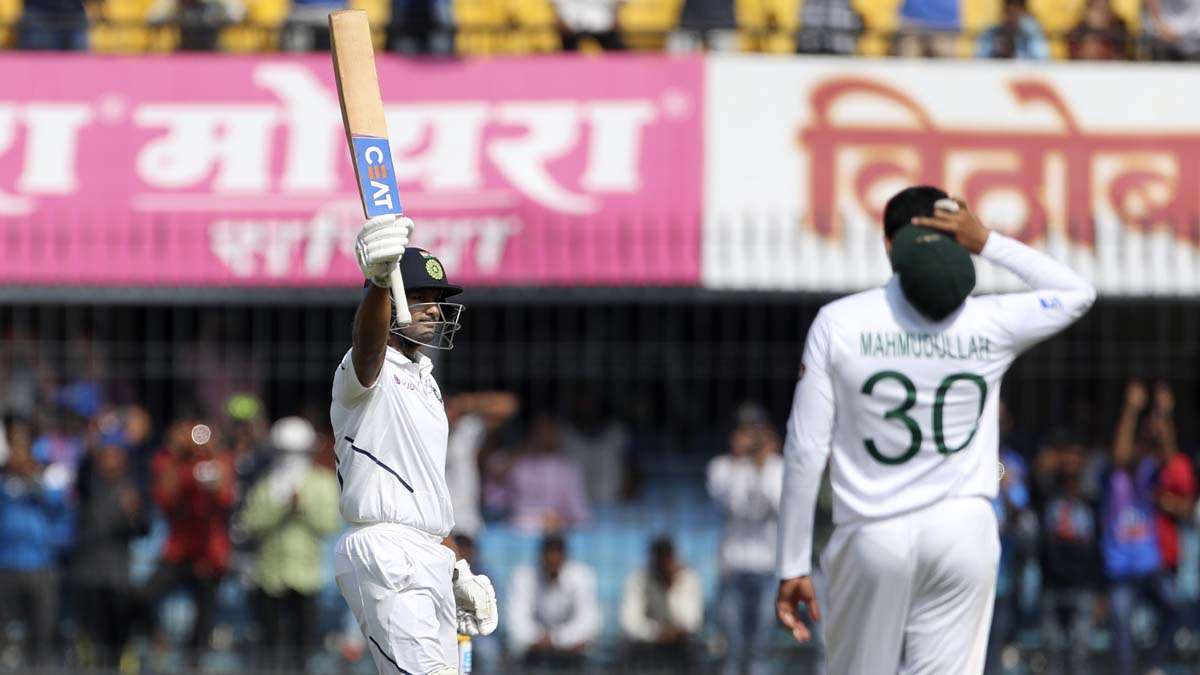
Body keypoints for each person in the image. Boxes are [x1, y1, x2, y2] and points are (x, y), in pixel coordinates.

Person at [776, 186, 1096, 675]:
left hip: (870, 534)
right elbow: (1077, 293)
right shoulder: (990, 321)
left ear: (889, 246)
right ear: (954, 235)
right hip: (962, 531)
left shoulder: (839, 323)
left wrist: (793, 564)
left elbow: (804, 450)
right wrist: (987, 241)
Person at [330, 213, 497, 675]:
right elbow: (367, 344)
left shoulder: (427, 384)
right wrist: (379, 284)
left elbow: (427, 490)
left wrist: (457, 567)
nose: (434, 310)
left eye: (438, 301)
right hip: (385, 547)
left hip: (430, 553)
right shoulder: (368, 372)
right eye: (420, 298)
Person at [238, 416, 342, 671]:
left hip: (306, 575)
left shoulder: (322, 482)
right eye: (285, 452)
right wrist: (280, 507)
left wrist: (302, 506)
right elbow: (250, 522)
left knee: (303, 644)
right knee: (268, 642)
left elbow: (329, 524)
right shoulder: (266, 484)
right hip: (269, 575)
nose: (290, 458)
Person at [1101, 380, 1183, 675]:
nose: (1139, 452)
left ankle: (1152, 664)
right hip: (1121, 569)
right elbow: (1121, 452)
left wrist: (1164, 415)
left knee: (1174, 610)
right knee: (1121, 628)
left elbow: (1171, 459)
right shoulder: (1115, 476)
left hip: (1150, 566)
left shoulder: (1150, 474)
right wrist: (1131, 410)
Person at [143, 418, 237, 667]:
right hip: (179, 549)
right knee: (143, 595)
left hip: (210, 552)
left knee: (203, 619)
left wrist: (212, 449)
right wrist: (177, 453)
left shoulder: (218, 458)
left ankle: (194, 665)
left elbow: (224, 495)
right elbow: (165, 498)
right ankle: (157, 638)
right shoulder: (168, 461)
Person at [707, 403, 784, 675]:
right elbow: (727, 501)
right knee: (733, 647)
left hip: (766, 567)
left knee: (761, 649)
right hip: (733, 567)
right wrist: (743, 463)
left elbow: (776, 504)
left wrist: (761, 466)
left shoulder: (777, 468)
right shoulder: (722, 467)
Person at [70, 429, 149, 668]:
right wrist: (94, 437)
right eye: (106, 455)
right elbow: (82, 471)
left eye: (116, 456)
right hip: (88, 576)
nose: (110, 461)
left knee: (117, 645)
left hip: (117, 578)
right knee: (92, 644)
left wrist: (134, 514)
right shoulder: (89, 486)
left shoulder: (131, 491)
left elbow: (143, 530)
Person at [0, 428, 73, 667]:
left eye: (23, 449)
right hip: (5, 566)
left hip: (41, 567)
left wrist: (33, 484)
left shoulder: (49, 482)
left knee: (42, 636)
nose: (18, 455)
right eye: (14, 449)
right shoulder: (3, 486)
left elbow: (62, 516)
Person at [1036, 432, 1100, 674]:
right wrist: (1053, 456)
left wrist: (1100, 591)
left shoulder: (1092, 497)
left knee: (1080, 659)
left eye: (1077, 456)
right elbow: (999, 472)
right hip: (1052, 585)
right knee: (1052, 657)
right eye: (1067, 455)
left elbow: (1099, 545)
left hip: (1083, 587)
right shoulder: (1046, 492)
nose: (1072, 461)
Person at [506, 534, 601, 670]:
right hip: (533, 652)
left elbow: (588, 622)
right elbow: (517, 622)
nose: (553, 558)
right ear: (541, 555)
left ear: (566, 555)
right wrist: (540, 639)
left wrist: (556, 639)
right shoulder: (524, 576)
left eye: (557, 552)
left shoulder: (582, 576)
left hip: (572, 653)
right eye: (549, 552)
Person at [619, 535, 704, 673]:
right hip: (646, 646)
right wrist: (657, 633)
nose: (664, 564)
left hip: (680, 647)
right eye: (660, 559)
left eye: (668, 558)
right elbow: (629, 623)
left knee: (694, 646)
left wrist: (672, 587)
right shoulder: (638, 579)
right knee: (627, 649)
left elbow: (692, 621)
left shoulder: (688, 578)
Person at [445, 391, 519, 537]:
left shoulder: (465, 431)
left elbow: (508, 405)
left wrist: (460, 404)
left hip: (467, 519)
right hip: (435, 521)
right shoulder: (424, 432)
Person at [504, 415, 591, 533]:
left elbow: (580, 514)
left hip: (560, 533)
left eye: (549, 431)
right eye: (539, 432)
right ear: (532, 435)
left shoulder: (568, 469)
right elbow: (505, 507)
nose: (544, 436)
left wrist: (561, 520)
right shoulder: (519, 467)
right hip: (522, 532)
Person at [975, 0, 1049, 59]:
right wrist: (996, 52)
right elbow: (980, 59)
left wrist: (1015, 54)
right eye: (1009, 11)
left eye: (1017, 11)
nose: (1013, 15)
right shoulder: (991, 33)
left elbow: (1041, 59)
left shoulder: (1031, 32)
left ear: (1024, 12)